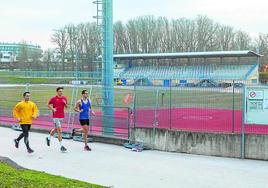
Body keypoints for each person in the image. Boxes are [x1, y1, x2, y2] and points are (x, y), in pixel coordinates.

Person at [46, 87, 68, 152]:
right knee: (59, 131)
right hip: (56, 116)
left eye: (62, 91)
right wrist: (52, 109)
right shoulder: (54, 98)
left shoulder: (64, 98)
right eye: (60, 91)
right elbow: (48, 104)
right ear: (57, 92)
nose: (61, 92)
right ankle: (61, 146)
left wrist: (65, 103)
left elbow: (66, 107)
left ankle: (48, 138)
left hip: (61, 116)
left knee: (56, 129)